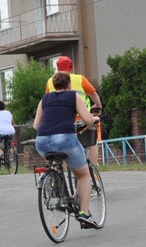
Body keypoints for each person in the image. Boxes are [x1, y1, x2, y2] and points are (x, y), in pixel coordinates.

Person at [34, 71, 100, 228]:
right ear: (69, 84)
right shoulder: (73, 96)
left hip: (42, 141)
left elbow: (36, 125)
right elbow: (87, 119)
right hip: (64, 138)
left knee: (58, 161)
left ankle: (57, 187)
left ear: (53, 86)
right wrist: (95, 118)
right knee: (83, 175)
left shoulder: (44, 99)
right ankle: (84, 213)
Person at [45, 56, 102, 164]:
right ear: (71, 67)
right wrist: (98, 105)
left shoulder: (50, 81)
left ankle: (62, 174)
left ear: (57, 68)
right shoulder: (80, 79)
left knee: (62, 146)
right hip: (81, 118)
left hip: (59, 120)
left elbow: (47, 101)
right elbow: (93, 94)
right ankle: (93, 173)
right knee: (92, 143)